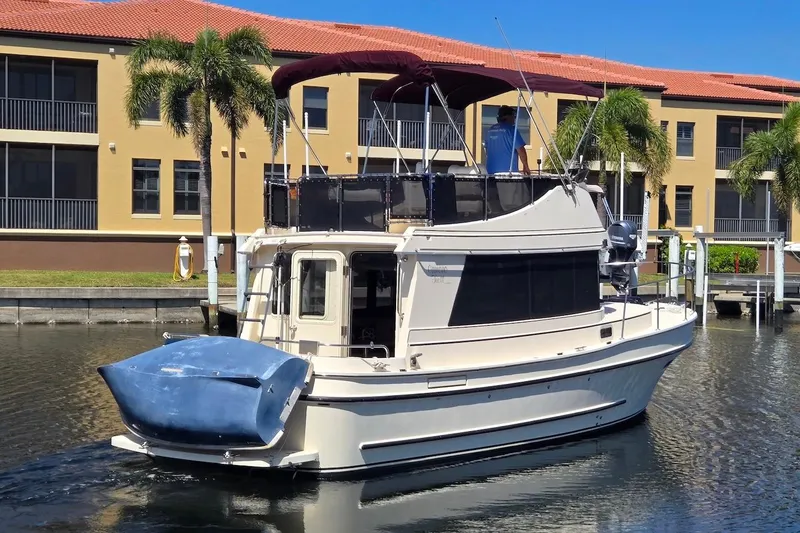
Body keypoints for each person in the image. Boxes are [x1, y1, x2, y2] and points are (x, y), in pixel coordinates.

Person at [484, 105, 531, 176]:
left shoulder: (490, 130)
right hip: (507, 175)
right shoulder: (511, 130)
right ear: (507, 117)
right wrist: (526, 166)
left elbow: (487, 150)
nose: (514, 119)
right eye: (513, 116)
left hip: (490, 173)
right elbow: (521, 150)